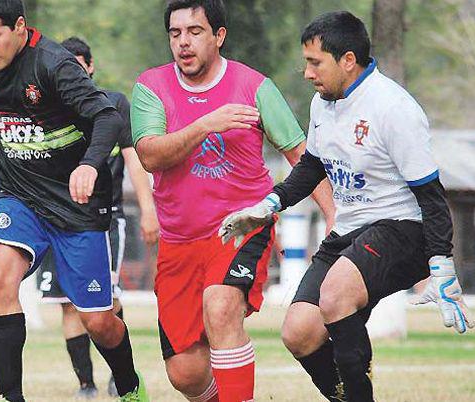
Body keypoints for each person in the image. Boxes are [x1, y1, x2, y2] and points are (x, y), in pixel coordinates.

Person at [219, 11, 475, 402]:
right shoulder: (324, 102)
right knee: (299, 333)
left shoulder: (394, 109)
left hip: (402, 228)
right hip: (349, 232)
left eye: (314, 62)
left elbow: (431, 195)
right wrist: (268, 204)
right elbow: (312, 167)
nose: (307, 73)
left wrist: (441, 261)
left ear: (348, 60)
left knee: (336, 294)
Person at [131, 1, 334, 401]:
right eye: (175, 34)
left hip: (242, 226)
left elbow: (301, 156)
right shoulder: (150, 87)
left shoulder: (255, 86)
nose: (184, 43)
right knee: (185, 373)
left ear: (219, 36)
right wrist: (206, 123)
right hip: (179, 241)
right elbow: (151, 155)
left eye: (195, 32)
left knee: (221, 306)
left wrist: (334, 216)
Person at [0, 1, 149, 401]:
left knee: (98, 321)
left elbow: (109, 117)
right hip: (21, 197)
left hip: (76, 207)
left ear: (19, 27)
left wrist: (88, 165)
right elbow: (11, 128)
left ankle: (131, 388)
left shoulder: (55, 65)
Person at [35, 36, 159, 399]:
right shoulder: (48, 109)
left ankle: (122, 373)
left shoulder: (112, 104)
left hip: (104, 221)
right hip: (56, 219)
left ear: (90, 67)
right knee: (68, 304)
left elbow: (134, 159)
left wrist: (148, 211)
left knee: (105, 303)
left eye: (78, 65)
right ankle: (86, 385)